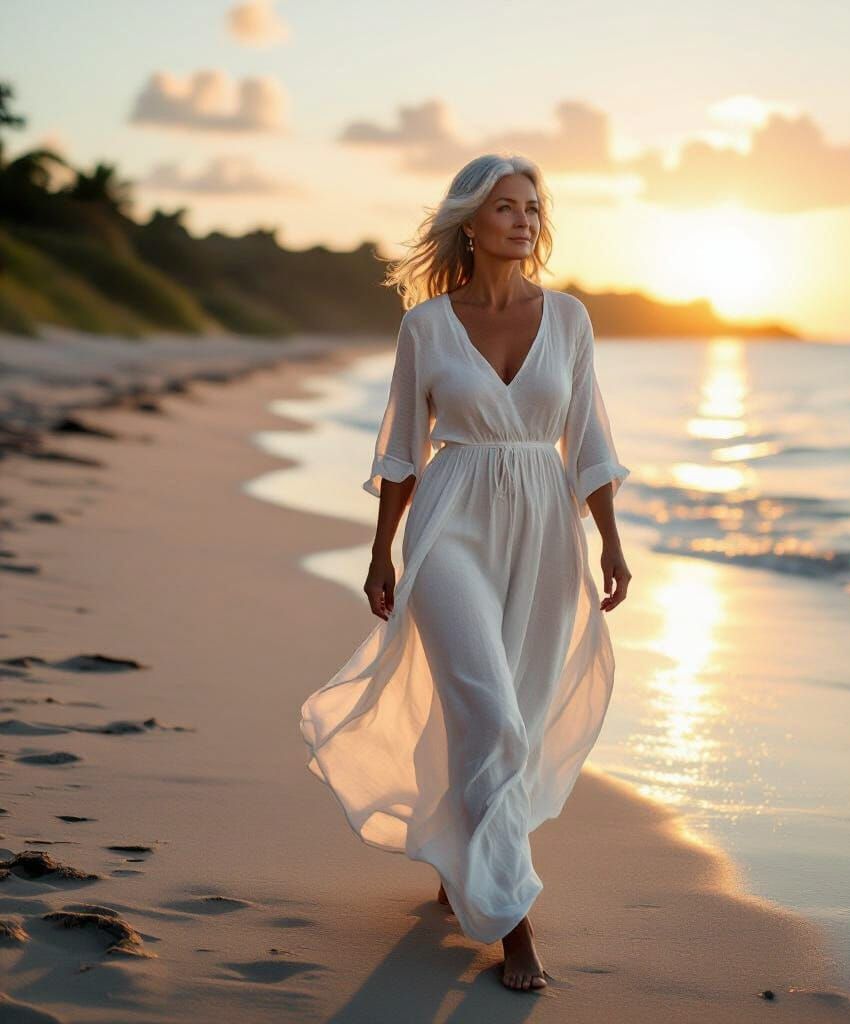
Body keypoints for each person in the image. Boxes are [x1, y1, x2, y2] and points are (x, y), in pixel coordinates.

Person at [300, 153, 631, 992]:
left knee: (515, 713)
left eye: (532, 207)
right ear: (471, 222)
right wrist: (381, 549)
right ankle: (515, 927)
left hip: (545, 530)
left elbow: (589, 441)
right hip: (450, 524)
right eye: (505, 206)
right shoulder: (426, 327)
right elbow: (402, 451)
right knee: (490, 714)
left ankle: (462, 858)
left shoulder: (569, 318)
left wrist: (610, 540)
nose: (523, 220)